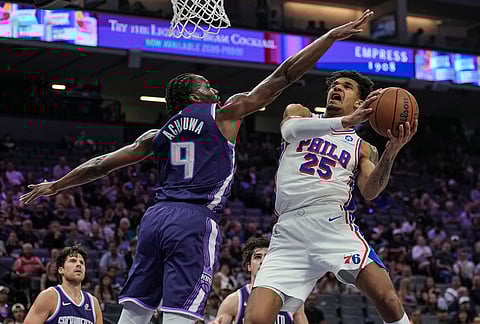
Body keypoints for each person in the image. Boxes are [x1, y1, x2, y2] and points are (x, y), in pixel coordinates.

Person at [20, 9, 374, 324]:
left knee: (135, 310)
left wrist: (55, 185)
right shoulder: (224, 115)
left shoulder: (155, 135)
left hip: (155, 219)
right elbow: (282, 76)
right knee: (181, 313)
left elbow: (101, 164)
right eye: (207, 87)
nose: (214, 90)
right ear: (193, 98)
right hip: (193, 219)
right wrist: (329, 37)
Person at [245, 70, 418, 324]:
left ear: (360, 103)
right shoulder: (300, 113)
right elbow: (289, 130)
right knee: (256, 319)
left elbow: (370, 191)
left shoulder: (363, 147)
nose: (337, 89)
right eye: (335, 85)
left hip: (332, 224)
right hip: (288, 231)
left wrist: (391, 152)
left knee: (388, 299)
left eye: (346, 87)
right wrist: (346, 121)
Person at [210, 237, 308, 324]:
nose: (263, 261)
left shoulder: (293, 301)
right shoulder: (234, 300)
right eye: (257, 257)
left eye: (268, 257)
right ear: (249, 266)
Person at [23, 244, 103, 324]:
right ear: (61, 270)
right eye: (73, 261)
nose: (79, 265)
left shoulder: (93, 303)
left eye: (82, 263)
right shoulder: (49, 296)